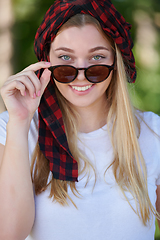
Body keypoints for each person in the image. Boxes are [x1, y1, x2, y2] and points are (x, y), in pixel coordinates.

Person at [0, 0, 160, 239]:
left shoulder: (153, 132)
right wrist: (20, 122)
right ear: (46, 62)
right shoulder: (12, 128)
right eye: (65, 58)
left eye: (96, 58)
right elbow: (8, 233)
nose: (81, 74)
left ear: (116, 63)